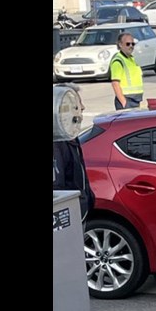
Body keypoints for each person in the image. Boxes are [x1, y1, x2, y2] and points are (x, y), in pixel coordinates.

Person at [53, 84, 94, 223]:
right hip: (67, 219)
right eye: (77, 104)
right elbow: (58, 189)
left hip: (78, 213)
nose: (82, 108)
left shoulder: (70, 137)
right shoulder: (57, 143)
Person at [110, 31, 144, 110]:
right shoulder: (118, 61)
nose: (131, 46)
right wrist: (124, 102)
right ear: (120, 45)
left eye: (133, 44)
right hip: (127, 100)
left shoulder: (131, 59)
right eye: (128, 44)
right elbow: (115, 83)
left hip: (135, 100)